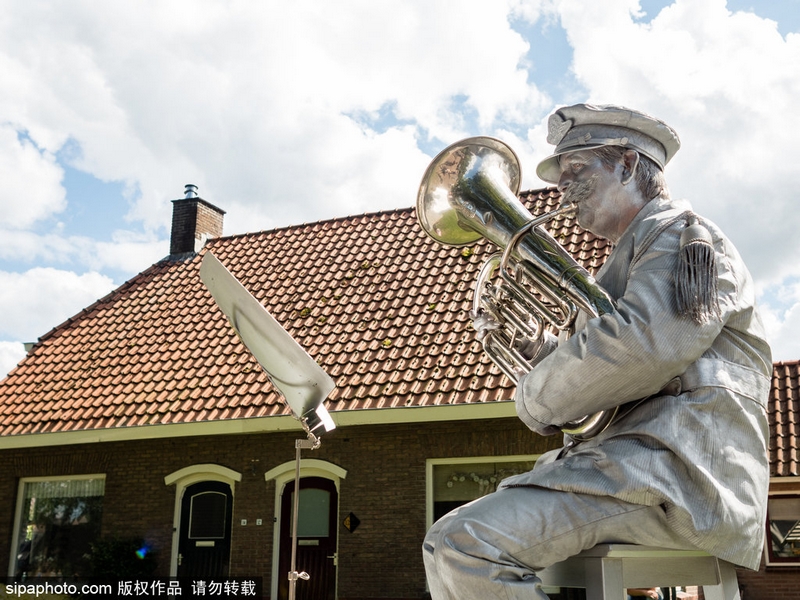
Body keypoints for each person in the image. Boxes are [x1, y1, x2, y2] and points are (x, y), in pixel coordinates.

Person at [422, 104, 772, 600]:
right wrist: (538, 349)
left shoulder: (686, 237)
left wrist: (533, 396)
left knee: (463, 542)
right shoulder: (628, 259)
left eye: (577, 171)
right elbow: (602, 376)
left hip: (680, 477)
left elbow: (643, 347)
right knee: (454, 540)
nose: (562, 188)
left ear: (628, 165)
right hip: (635, 468)